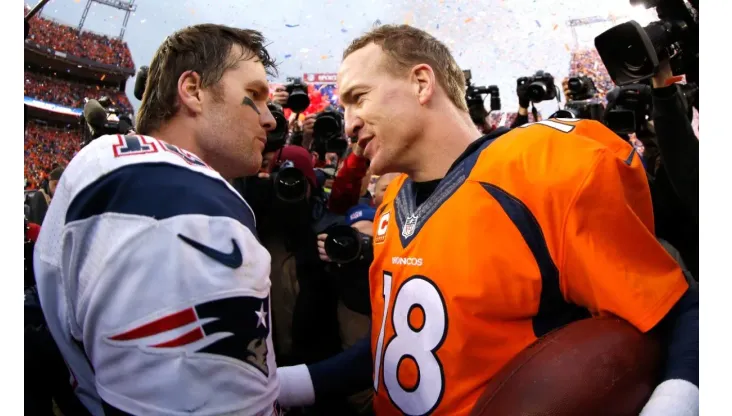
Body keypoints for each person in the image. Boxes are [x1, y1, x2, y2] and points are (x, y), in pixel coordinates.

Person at [277, 24, 698, 416]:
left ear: (421, 83)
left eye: (358, 97)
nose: (348, 122)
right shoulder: (392, 204)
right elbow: (407, 343)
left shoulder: (538, 170)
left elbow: (675, 308)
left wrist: (677, 400)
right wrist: (288, 385)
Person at [33, 24, 282, 416]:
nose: (270, 119)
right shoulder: (181, 196)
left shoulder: (111, 163)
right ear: (193, 90)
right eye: (253, 95)